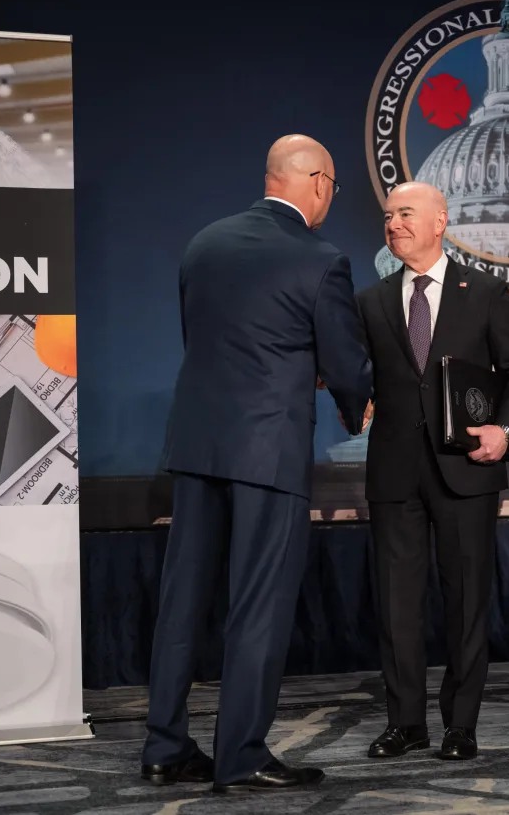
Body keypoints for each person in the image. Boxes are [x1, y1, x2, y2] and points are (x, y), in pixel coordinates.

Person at [141, 135, 373, 793]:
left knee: (182, 600)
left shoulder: (203, 244)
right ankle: (241, 755)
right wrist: (356, 406)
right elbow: (347, 366)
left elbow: (206, 340)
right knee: (257, 605)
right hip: (266, 449)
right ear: (319, 182)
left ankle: (163, 747)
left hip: (195, 445)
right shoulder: (321, 259)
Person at [356, 181, 509, 760]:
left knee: (466, 605)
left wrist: (504, 432)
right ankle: (405, 723)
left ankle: (461, 726)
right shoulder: (371, 301)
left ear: (441, 221)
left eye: (406, 213)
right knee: (396, 606)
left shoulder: (483, 291)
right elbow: (355, 376)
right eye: (388, 216)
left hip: (467, 470)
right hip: (394, 473)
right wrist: (348, 396)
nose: (394, 223)